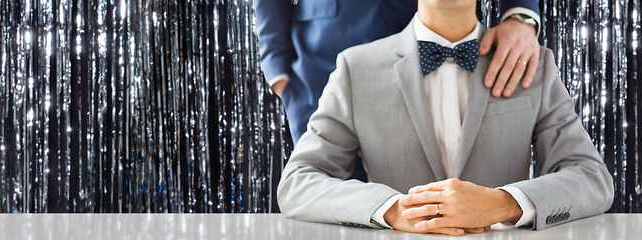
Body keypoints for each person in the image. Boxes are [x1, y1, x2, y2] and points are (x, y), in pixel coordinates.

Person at [276, 0, 614, 236]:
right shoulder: (355, 68)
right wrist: (394, 210)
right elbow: (298, 182)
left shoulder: (532, 65)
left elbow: (592, 178)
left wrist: (503, 204)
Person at [254, 0, 542, 144]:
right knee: (331, 203)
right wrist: (276, 68)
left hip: (436, 44)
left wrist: (521, 13)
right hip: (320, 64)